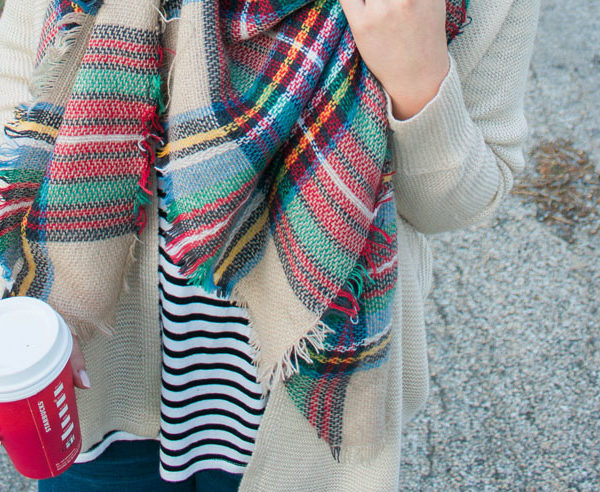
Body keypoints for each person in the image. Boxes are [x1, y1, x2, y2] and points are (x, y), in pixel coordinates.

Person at [0, 0, 540, 490]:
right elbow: (15, 102)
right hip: (94, 376)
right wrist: (27, 299)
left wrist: (417, 78)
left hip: (295, 411)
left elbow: (456, 205)